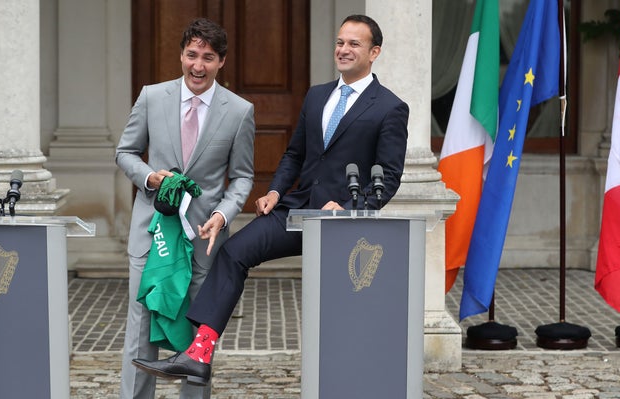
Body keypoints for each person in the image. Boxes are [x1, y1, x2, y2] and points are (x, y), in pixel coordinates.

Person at [132, 14, 409, 386]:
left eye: (353, 44)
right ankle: (199, 353)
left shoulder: (390, 107)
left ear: (374, 52)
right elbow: (295, 154)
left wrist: (350, 209)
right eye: (340, 42)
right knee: (232, 253)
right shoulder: (317, 95)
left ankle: (354, 378)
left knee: (340, 304)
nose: (343, 49)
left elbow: (388, 177)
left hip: (345, 222)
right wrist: (276, 191)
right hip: (296, 209)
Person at [115, 18, 255, 399]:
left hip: (203, 239)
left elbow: (242, 176)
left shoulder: (240, 111)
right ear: (181, 55)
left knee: (197, 339)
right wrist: (150, 178)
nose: (198, 65)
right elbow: (125, 152)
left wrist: (223, 214)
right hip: (153, 233)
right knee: (141, 329)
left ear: (221, 61)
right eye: (192, 55)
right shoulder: (151, 97)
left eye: (208, 57)